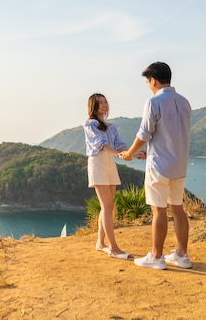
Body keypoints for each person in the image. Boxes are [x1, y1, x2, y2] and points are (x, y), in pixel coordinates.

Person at [119, 62, 192, 270]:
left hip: (159, 166)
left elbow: (144, 134)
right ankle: (182, 255)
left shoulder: (154, 102)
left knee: (158, 211)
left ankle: (157, 257)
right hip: (179, 166)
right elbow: (172, 135)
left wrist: (130, 154)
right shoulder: (185, 102)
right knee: (178, 209)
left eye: (148, 82)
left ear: (153, 80)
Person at [83, 93, 132, 260]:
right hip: (98, 164)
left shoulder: (111, 126)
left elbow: (119, 145)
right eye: (99, 103)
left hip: (111, 164)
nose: (104, 105)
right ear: (93, 106)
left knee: (107, 207)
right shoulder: (90, 125)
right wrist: (120, 155)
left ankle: (100, 243)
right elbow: (102, 145)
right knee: (107, 206)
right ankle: (113, 248)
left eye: (105, 102)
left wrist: (131, 153)